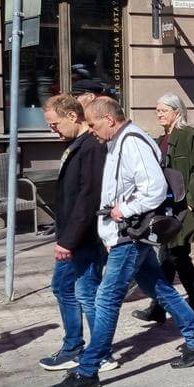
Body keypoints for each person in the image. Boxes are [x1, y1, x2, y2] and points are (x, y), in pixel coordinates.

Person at [48, 97, 194, 387]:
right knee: (161, 290)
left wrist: (124, 211)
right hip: (126, 233)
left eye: (93, 124)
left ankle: (89, 369)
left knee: (106, 298)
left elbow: (154, 188)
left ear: (109, 120)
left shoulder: (132, 142)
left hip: (131, 233)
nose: (90, 130)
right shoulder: (118, 141)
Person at [37, 95, 108, 371]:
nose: (52, 128)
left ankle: (95, 351)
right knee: (68, 288)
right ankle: (79, 346)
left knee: (84, 291)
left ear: (72, 116)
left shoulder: (91, 146)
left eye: (54, 123)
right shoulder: (79, 144)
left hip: (83, 237)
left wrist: (68, 240)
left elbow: (88, 197)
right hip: (73, 235)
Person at [131, 94, 194, 323]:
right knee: (177, 255)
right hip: (166, 206)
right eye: (157, 110)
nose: (159, 114)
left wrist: (193, 203)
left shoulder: (189, 135)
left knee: (171, 255)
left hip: (183, 207)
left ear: (177, 111)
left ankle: (160, 306)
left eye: (163, 110)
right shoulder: (162, 138)